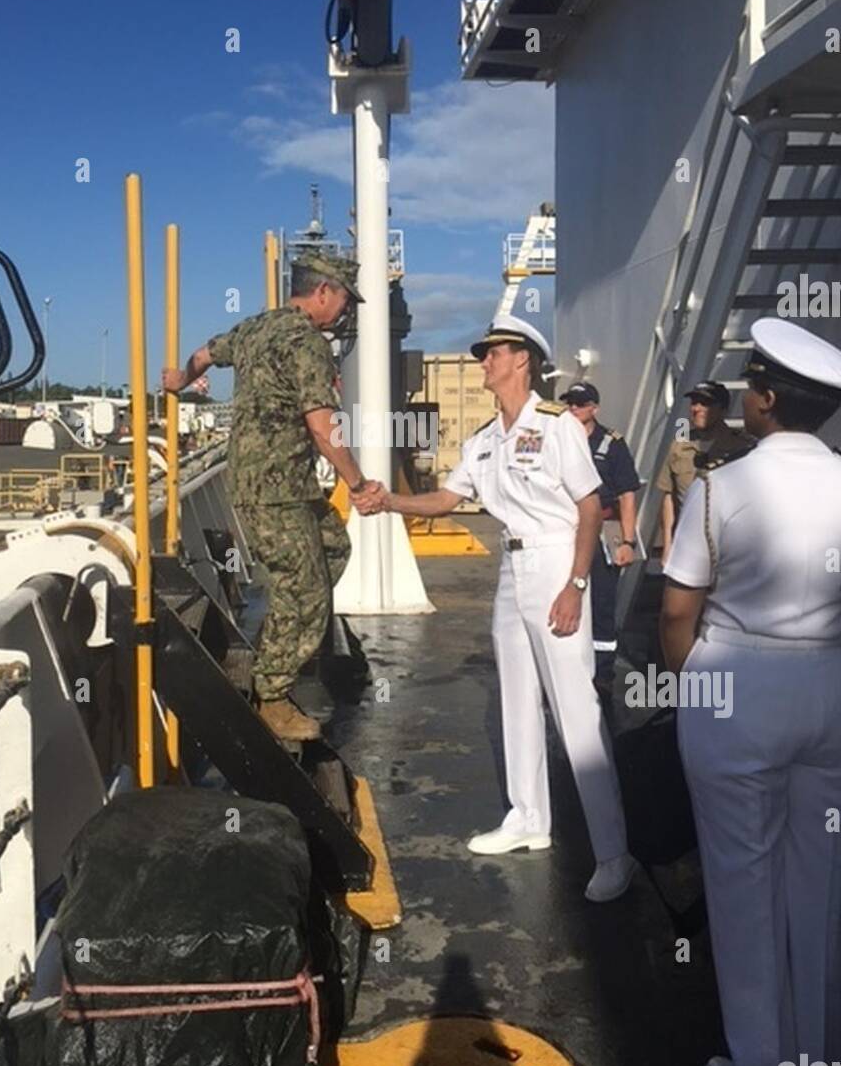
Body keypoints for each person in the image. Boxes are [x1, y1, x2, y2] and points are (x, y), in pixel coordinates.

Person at [660, 318, 841, 1066]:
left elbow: (678, 609)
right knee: (819, 880)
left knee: (742, 881)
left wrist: (691, 690)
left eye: (751, 386)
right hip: (830, 687)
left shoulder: (721, 488)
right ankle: (816, 1064)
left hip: (737, 688)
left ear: (765, 398)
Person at [366, 315, 637, 902]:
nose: (483, 361)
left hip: (557, 560)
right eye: (483, 353)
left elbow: (592, 507)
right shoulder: (485, 440)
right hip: (512, 569)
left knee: (576, 709)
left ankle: (614, 852)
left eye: (493, 352)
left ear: (523, 360)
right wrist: (389, 500)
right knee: (516, 698)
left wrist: (576, 585)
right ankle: (528, 819)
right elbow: (447, 498)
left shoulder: (558, 425)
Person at [162, 249, 383, 742]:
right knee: (304, 594)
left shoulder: (255, 328)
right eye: (345, 299)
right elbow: (325, 429)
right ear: (323, 291)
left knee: (333, 548)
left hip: (281, 487)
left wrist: (180, 379)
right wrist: (360, 485)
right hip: (274, 490)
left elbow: (204, 354)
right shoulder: (308, 343)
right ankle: (273, 694)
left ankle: (281, 640)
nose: (346, 311)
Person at [561, 381, 641, 686]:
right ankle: (567, 668)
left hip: (601, 530)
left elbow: (626, 495)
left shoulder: (612, 443)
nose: (573, 409)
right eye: (569, 403)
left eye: (579, 404)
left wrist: (628, 541)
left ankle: (602, 674)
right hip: (566, 529)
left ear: (594, 407)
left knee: (602, 603)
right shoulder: (557, 438)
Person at [657, 380, 751, 562]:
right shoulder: (680, 445)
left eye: (706, 403)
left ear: (723, 409)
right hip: (688, 542)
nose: (697, 408)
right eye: (694, 403)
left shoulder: (741, 447)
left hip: (728, 543)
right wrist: (668, 545)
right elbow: (669, 496)